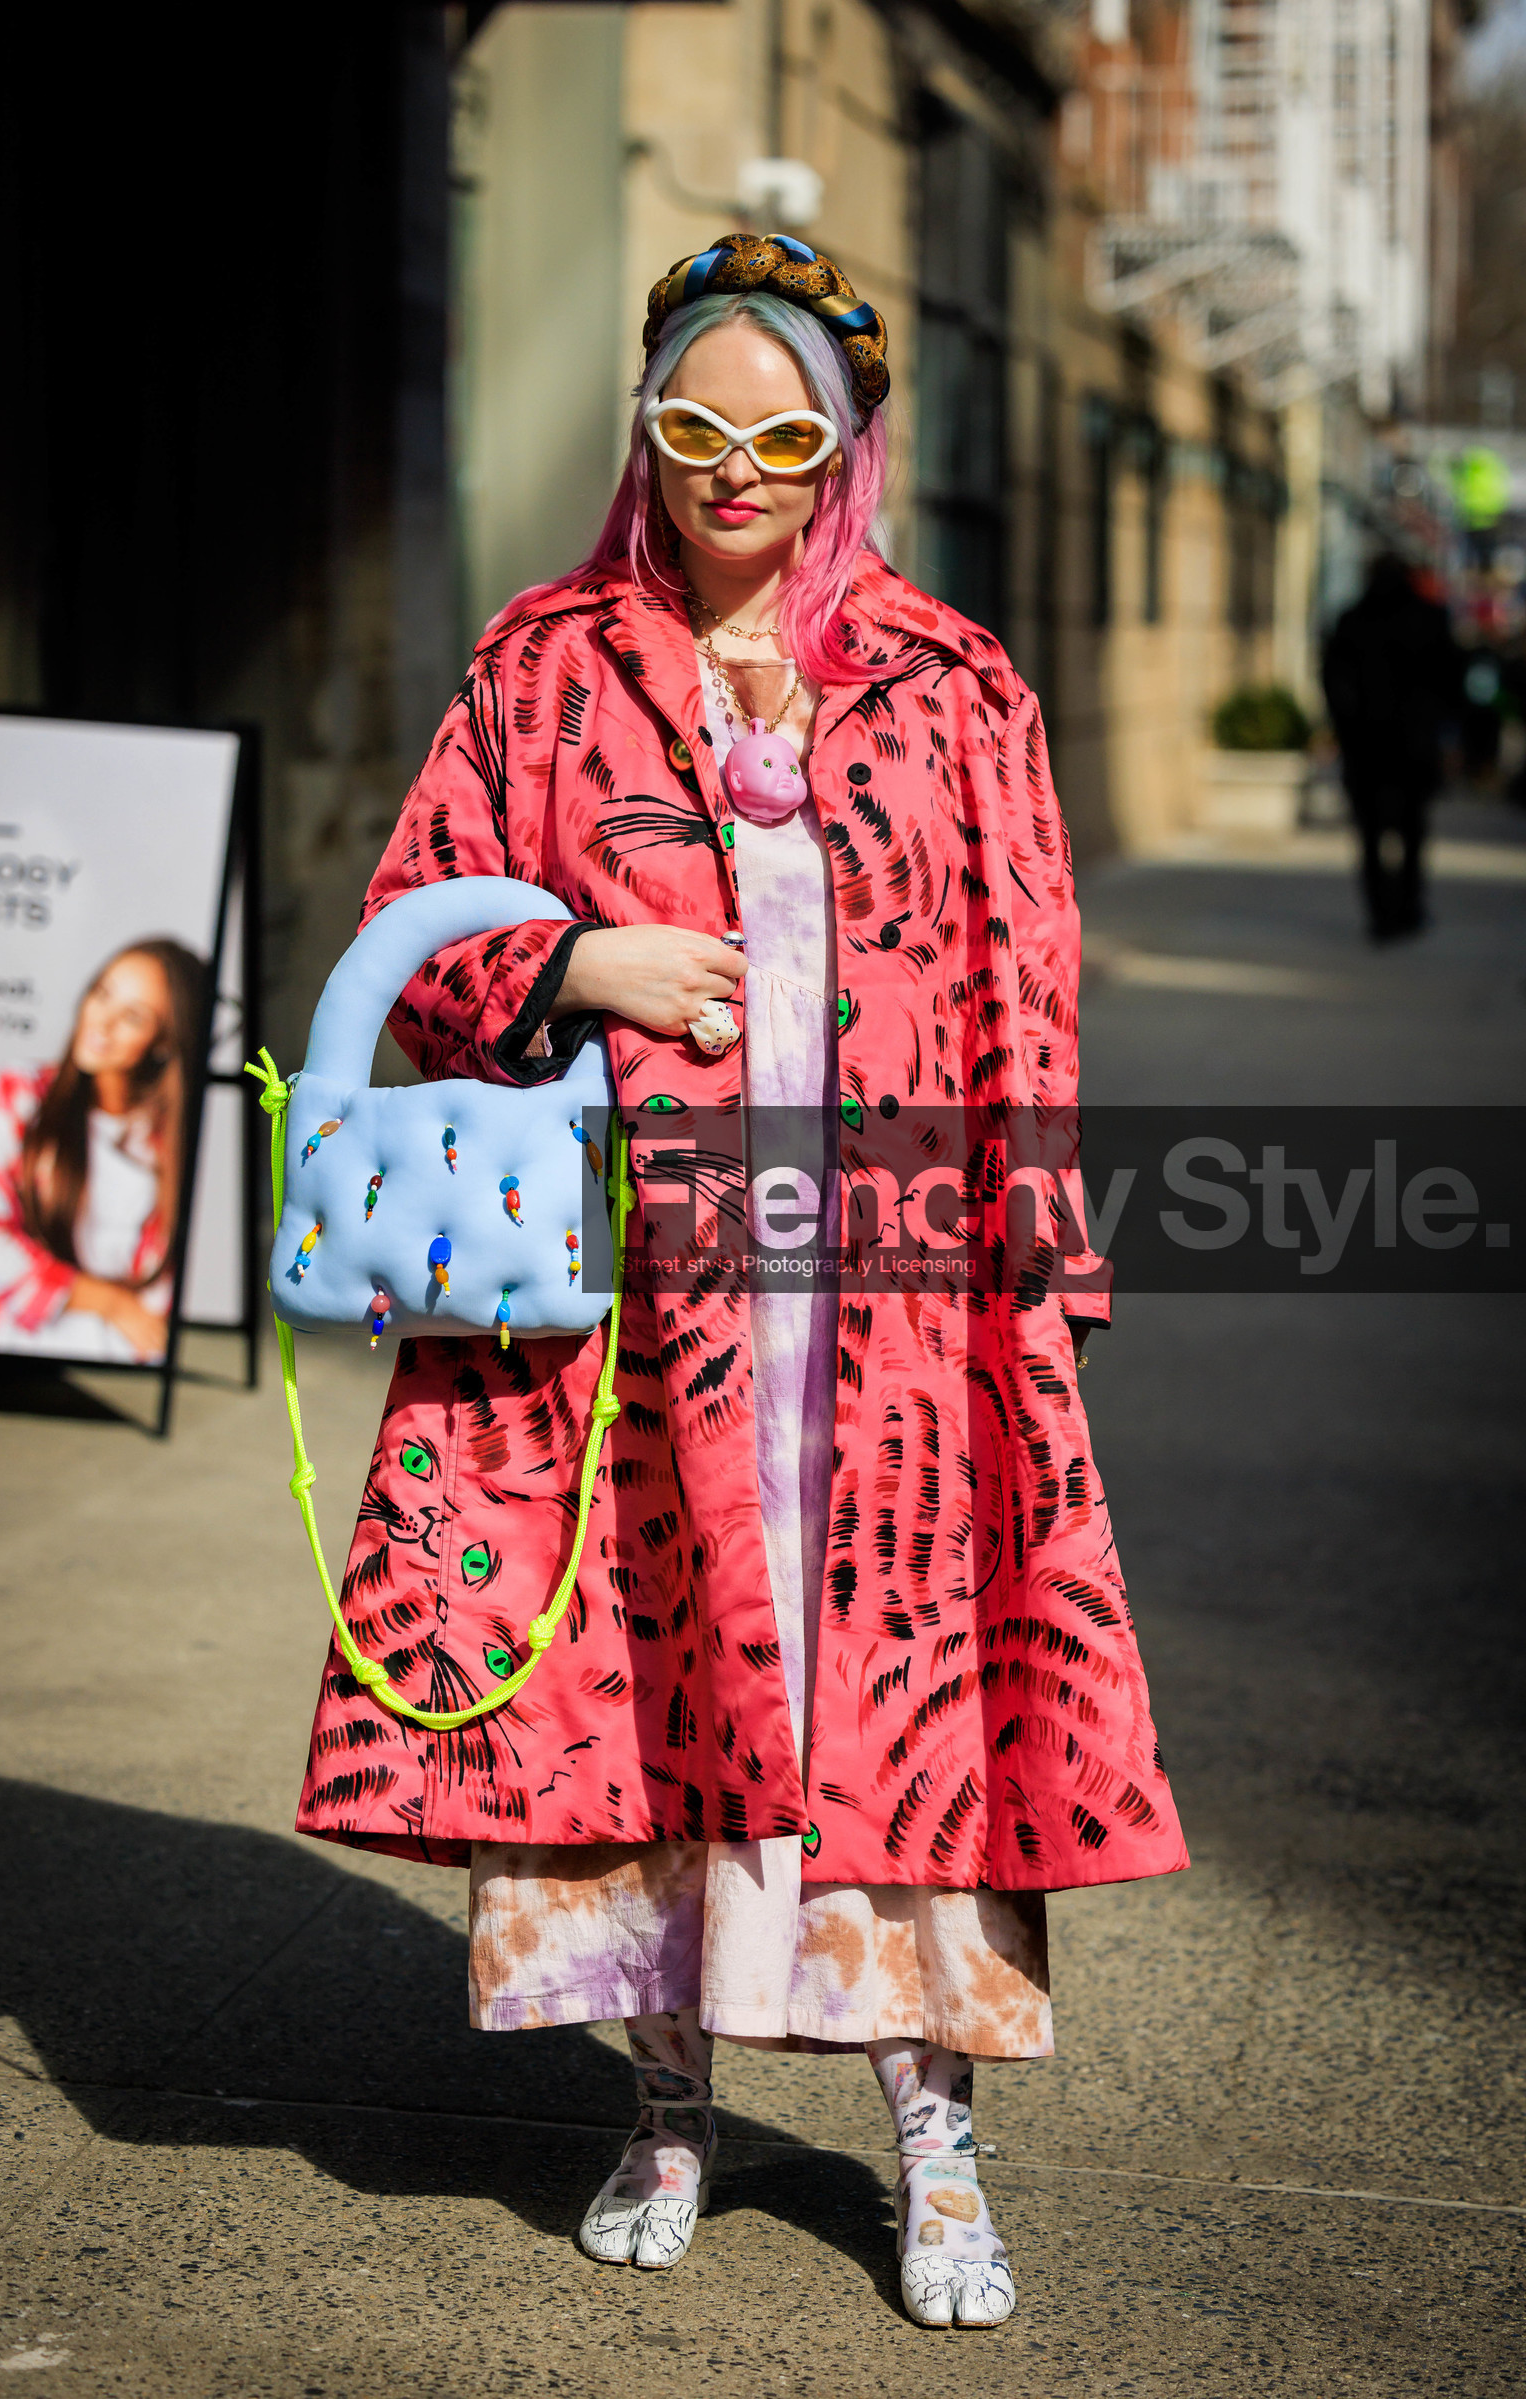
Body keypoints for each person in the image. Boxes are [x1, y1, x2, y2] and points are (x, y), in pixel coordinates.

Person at [294, 235, 1187, 2328]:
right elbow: (409, 922)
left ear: (837, 450)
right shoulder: (539, 664)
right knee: (653, 1685)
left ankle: (932, 2136)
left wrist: (1038, 1273)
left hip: (886, 1320)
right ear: (648, 429)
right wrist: (570, 959)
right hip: (632, 1299)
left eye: (779, 432)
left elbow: (1027, 987)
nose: (732, 469)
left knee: (909, 1710)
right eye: (691, 424)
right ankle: (668, 2100)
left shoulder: (952, 682)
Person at [0, 939, 205, 1362]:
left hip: (117, 1358)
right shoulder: (21, 1095)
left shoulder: (165, 1141)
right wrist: (109, 1302)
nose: (101, 1023)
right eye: (102, 994)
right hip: (4, 1345)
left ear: (162, 1043)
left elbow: (159, 1292)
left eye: (133, 1017)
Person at [1322, 553, 1463, 940]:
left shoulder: (1353, 620)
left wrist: (1346, 727)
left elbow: (1333, 683)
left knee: (1371, 837)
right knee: (1411, 834)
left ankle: (1382, 913)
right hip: (1411, 749)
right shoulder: (1429, 619)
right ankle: (1407, 909)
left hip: (1368, 747)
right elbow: (1451, 684)